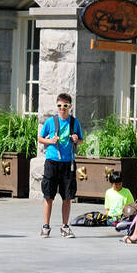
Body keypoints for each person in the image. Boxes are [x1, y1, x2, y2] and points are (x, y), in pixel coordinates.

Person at [38, 93, 83, 237]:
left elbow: (81, 140)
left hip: (68, 162)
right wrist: (50, 141)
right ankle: (46, 226)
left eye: (65, 106)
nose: (62, 109)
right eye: (59, 106)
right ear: (56, 106)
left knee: (67, 196)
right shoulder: (50, 122)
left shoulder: (75, 122)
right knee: (48, 195)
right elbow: (40, 138)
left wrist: (76, 139)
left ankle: (65, 227)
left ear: (70, 107)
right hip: (52, 161)